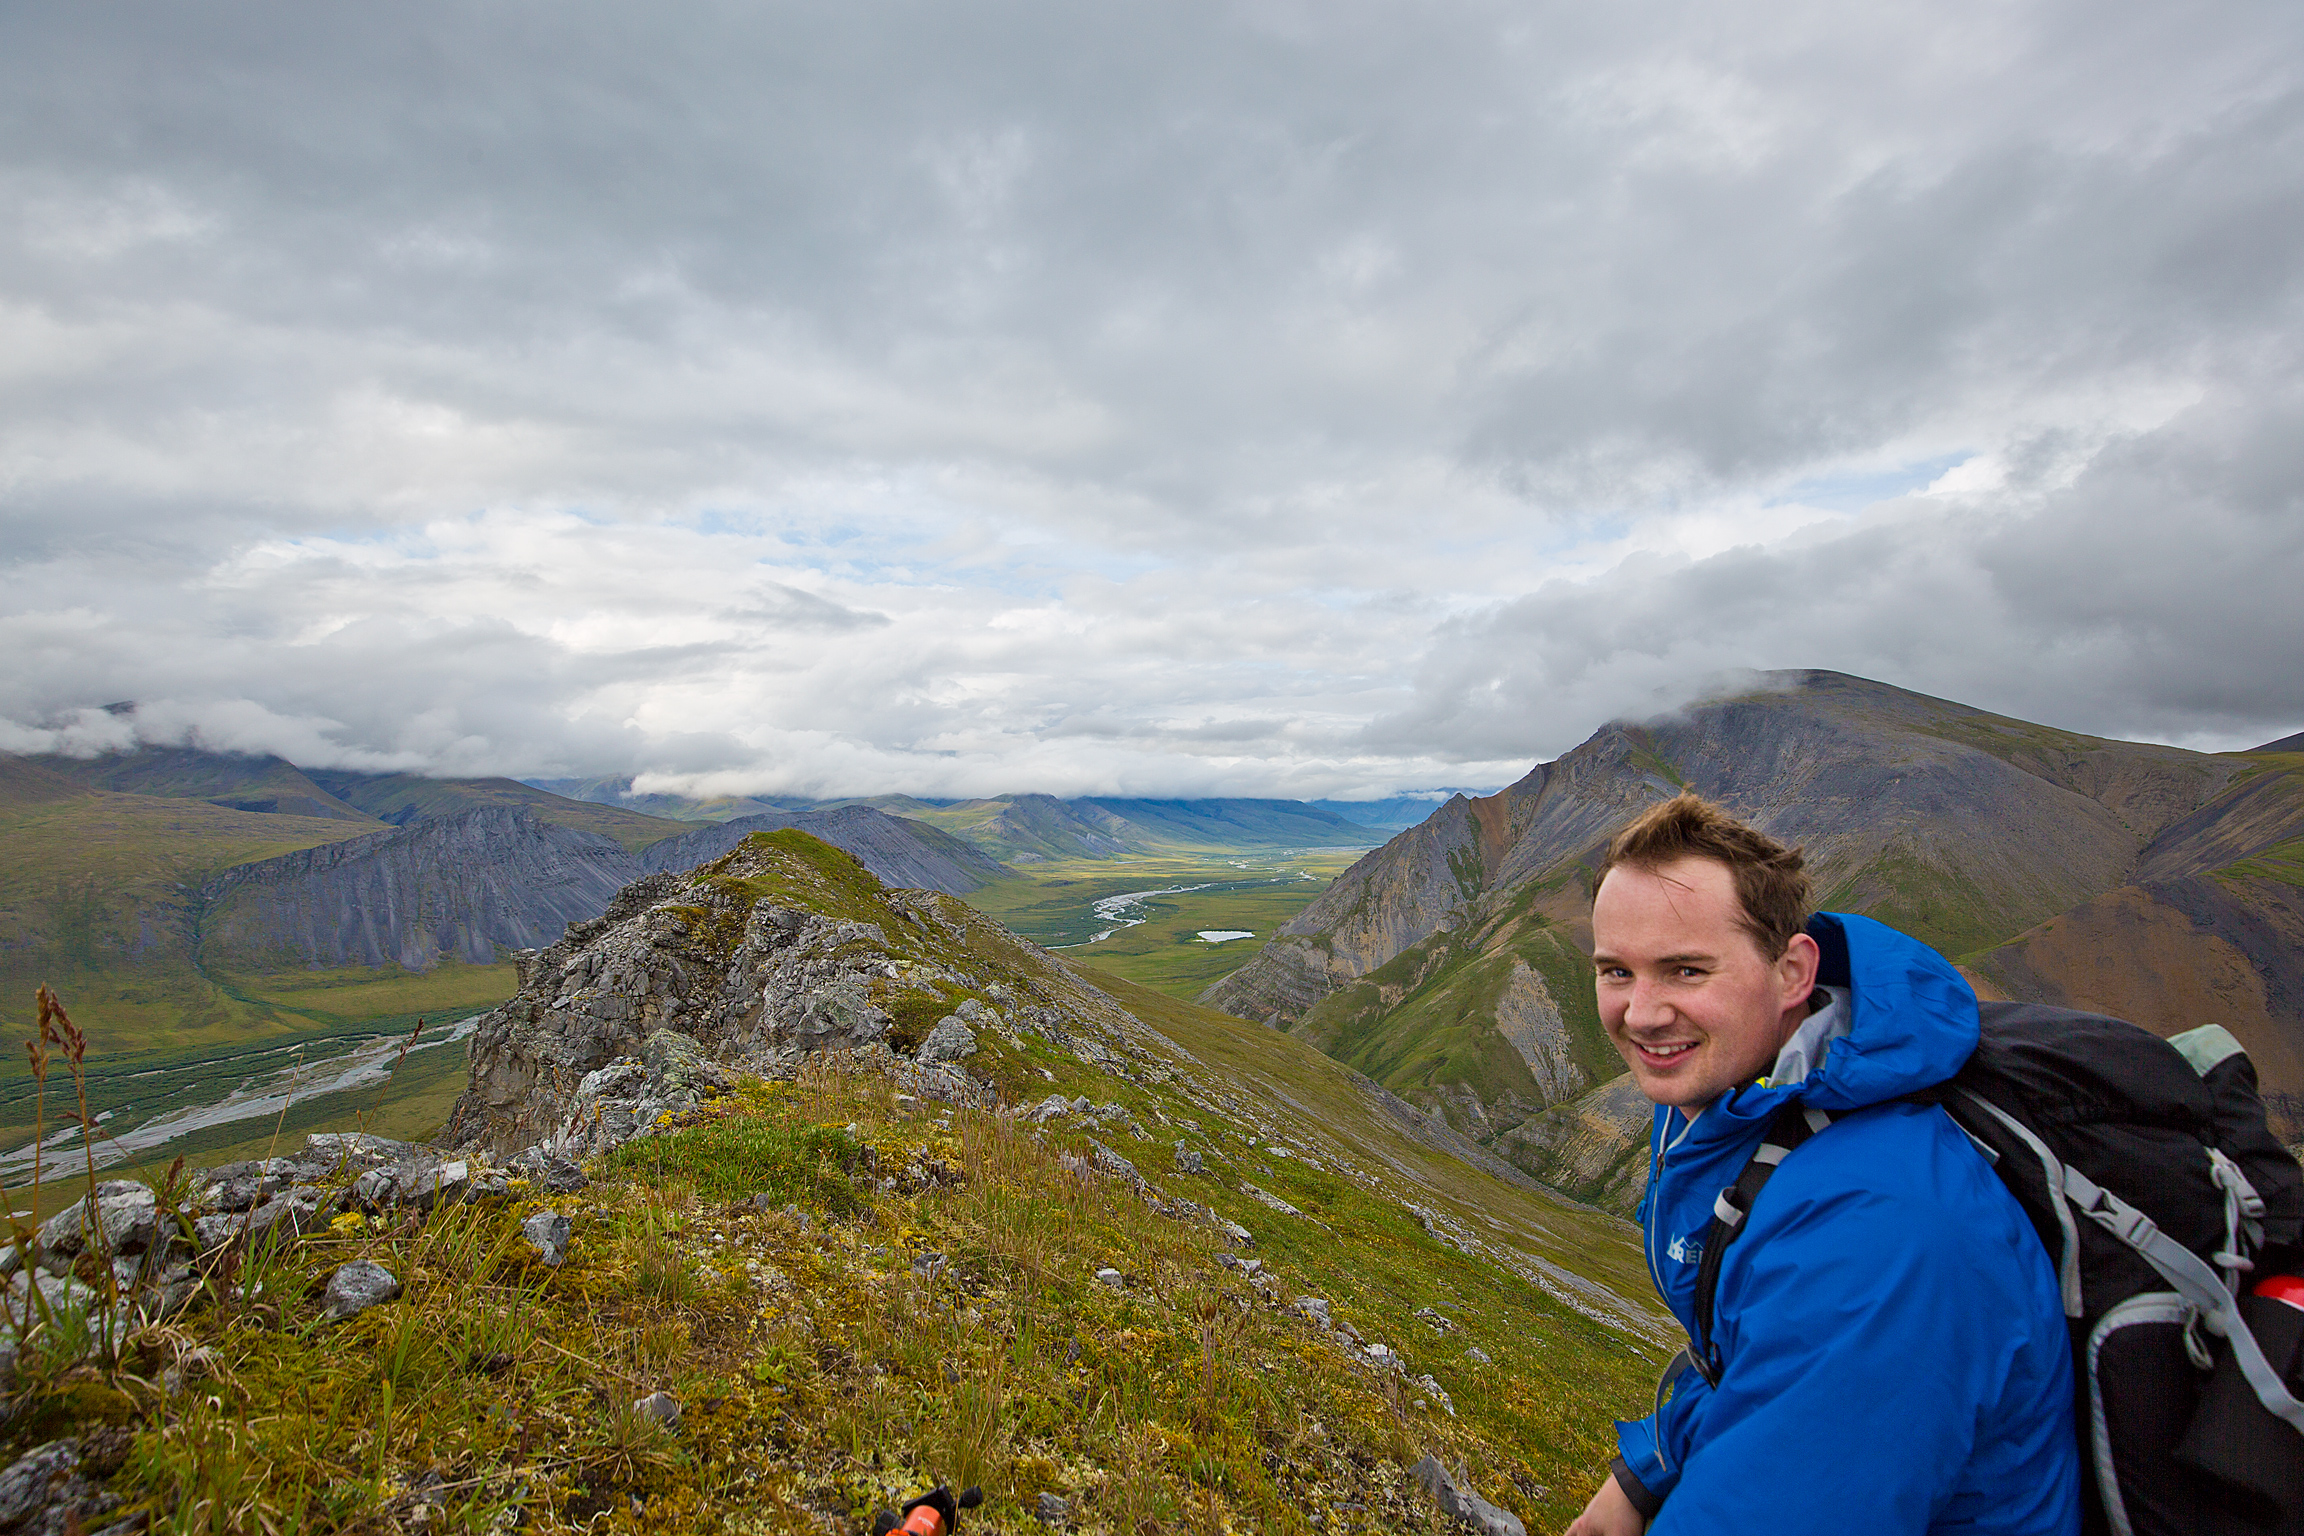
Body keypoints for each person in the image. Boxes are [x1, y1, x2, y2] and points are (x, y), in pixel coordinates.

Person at [1564, 793, 2080, 1536]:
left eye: (1684, 971)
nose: (1641, 1014)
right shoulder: (1751, 1098)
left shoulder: (1874, 1241)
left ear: (1793, 973)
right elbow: (1751, 1348)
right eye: (1616, 971)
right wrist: (1651, 1472)